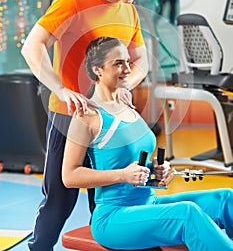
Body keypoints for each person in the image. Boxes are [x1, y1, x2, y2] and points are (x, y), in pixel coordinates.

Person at [21, 0, 157, 251]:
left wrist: (126, 85)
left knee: (109, 193)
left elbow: (142, 62)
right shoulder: (73, 3)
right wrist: (61, 89)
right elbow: (32, 47)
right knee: (59, 198)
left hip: (108, 121)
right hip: (69, 116)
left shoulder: (130, 13)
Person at [62, 36, 233, 251]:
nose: (127, 69)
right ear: (98, 69)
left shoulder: (126, 103)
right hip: (114, 217)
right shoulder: (87, 116)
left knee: (226, 198)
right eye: (118, 63)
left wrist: (157, 170)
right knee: (187, 214)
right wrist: (122, 175)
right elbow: (69, 176)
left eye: (127, 61)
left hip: (148, 203)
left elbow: (133, 161)